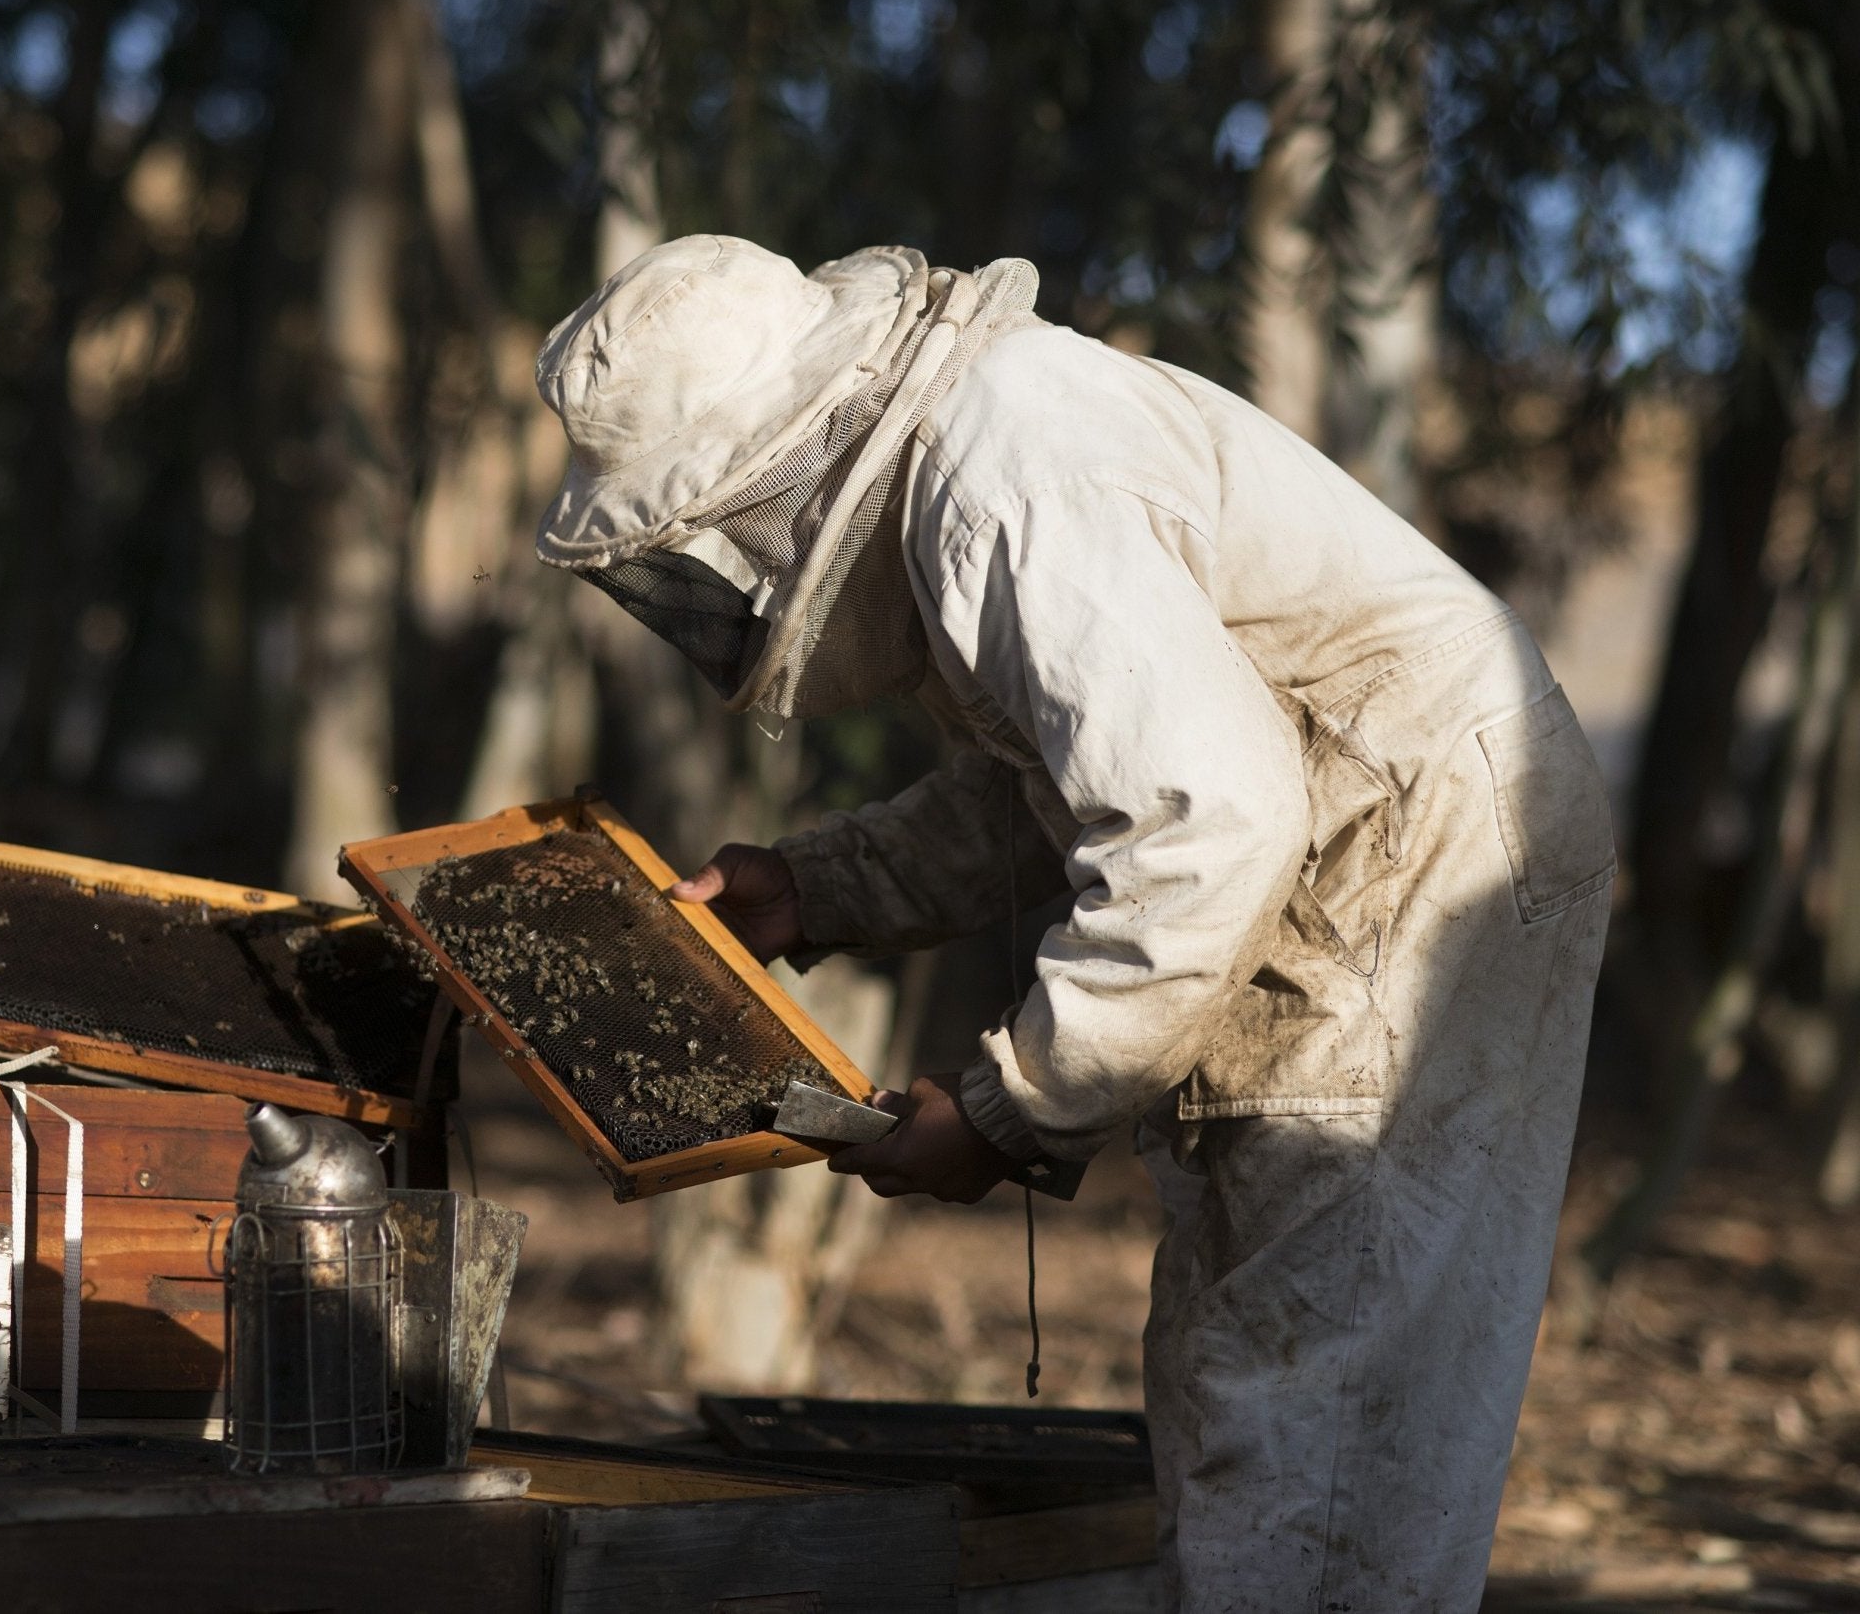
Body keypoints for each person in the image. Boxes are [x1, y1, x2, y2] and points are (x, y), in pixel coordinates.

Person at [530, 233, 1614, 1612]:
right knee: (1248, 1375)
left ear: (771, 482)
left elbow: (1200, 819)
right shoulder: (985, 452)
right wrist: (820, 885)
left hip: (1403, 856)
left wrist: (1005, 1110)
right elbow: (1056, 780)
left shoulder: (1003, 479)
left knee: (1311, 1407)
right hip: (1373, 836)